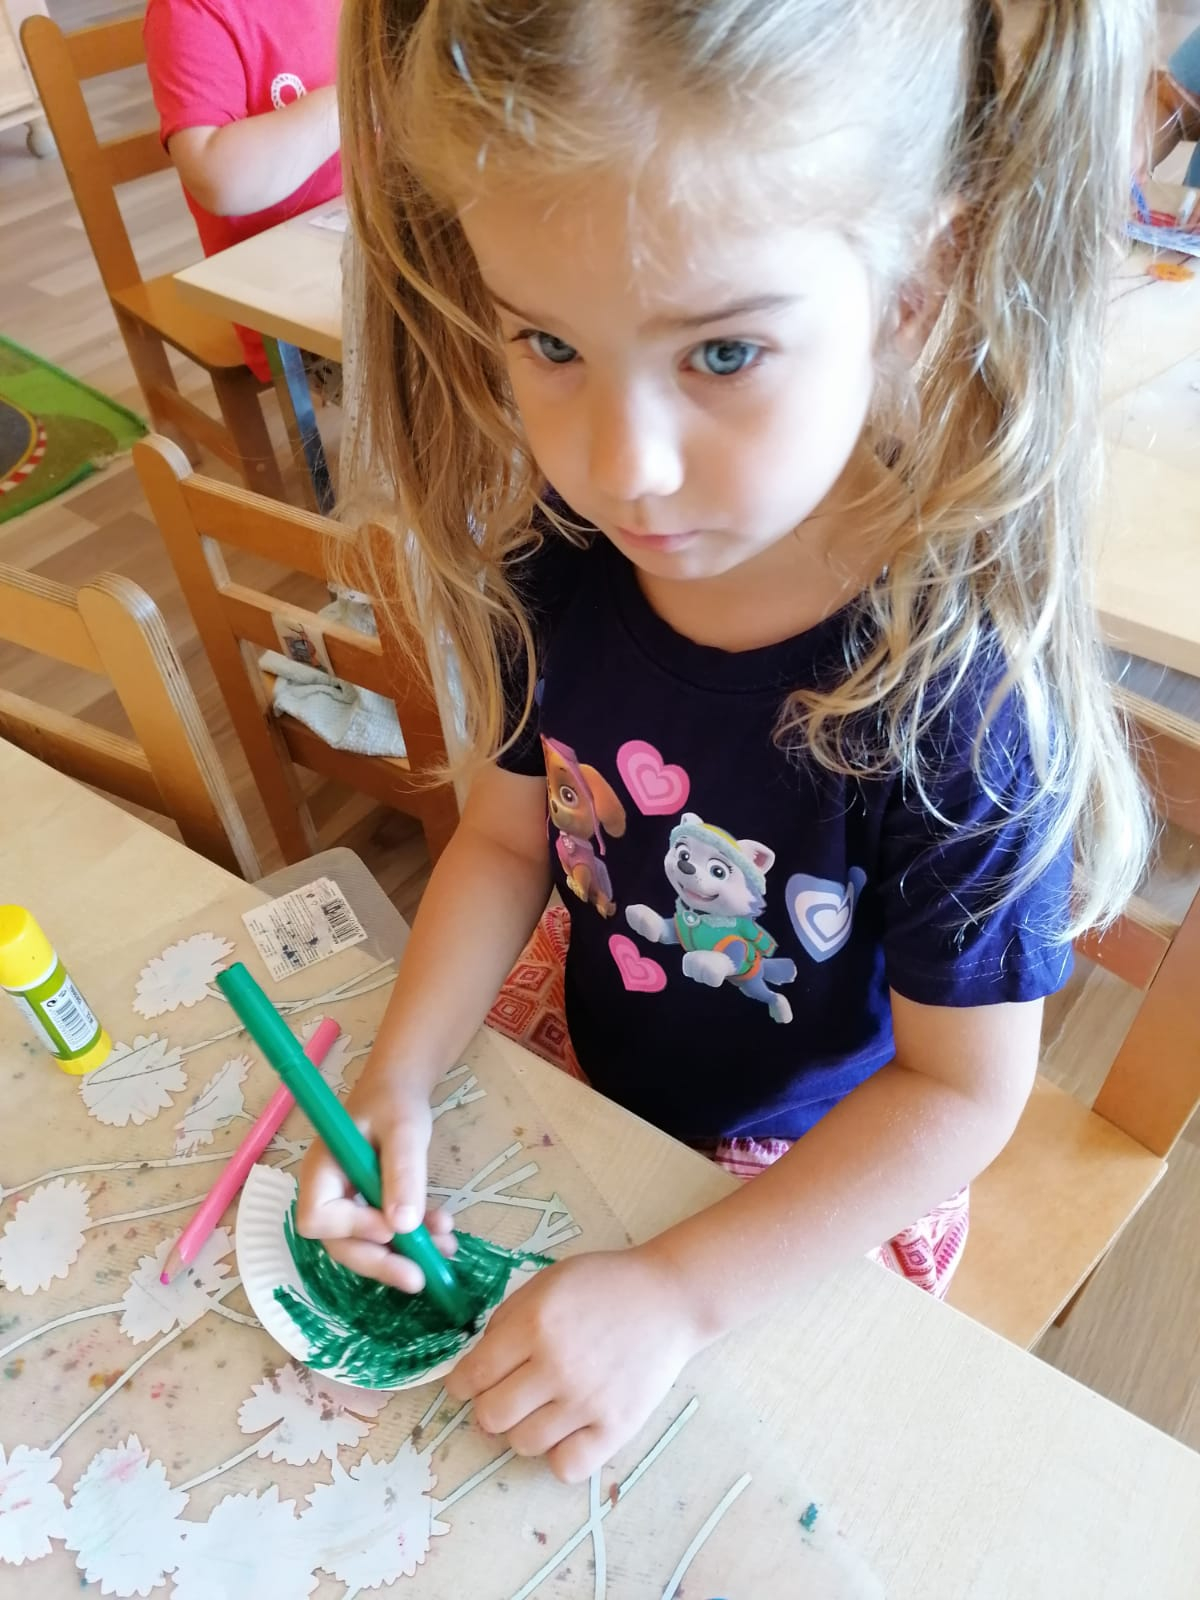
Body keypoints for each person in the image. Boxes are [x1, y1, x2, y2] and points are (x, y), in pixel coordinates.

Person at [299, 0, 1153, 1483]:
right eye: (550, 342)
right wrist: (398, 1075)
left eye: (724, 351)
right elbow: (505, 838)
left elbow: (962, 1093)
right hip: (591, 1059)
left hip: (811, 1175)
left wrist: (681, 1296)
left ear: (917, 284)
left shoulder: (952, 701)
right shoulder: (557, 565)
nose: (619, 464)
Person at [143, 0, 342, 380]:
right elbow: (219, 179)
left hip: (388, 253)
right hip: (294, 318)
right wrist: (351, 101)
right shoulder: (190, 11)